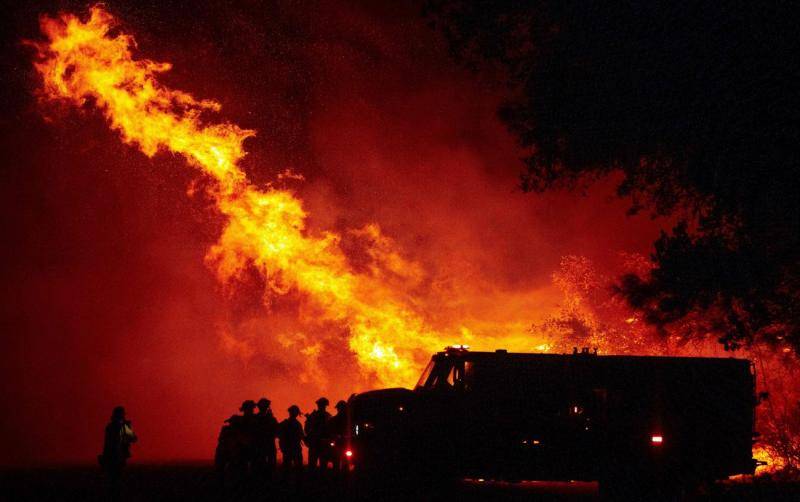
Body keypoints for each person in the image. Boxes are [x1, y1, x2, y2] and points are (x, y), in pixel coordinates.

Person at [99, 406, 137, 501]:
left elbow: (107, 444)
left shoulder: (110, 427)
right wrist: (128, 427)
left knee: (112, 481)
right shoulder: (122, 427)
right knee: (117, 481)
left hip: (111, 457)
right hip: (118, 458)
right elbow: (133, 438)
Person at [304, 397, 332, 471]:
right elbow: (307, 429)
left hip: (318, 443)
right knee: (320, 465)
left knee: (316, 464)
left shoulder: (314, 416)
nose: (322, 406)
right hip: (320, 443)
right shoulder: (328, 416)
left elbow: (306, 429)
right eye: (322, 405)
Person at [254, 397, 278, 475]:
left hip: (263, 445)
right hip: (263, 444)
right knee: (265, 466)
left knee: (264, 466)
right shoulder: (269, 418)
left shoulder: (256, 418)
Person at [278, 405, 304, 475]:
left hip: (290, 449)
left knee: (289, 469)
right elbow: (302, 436)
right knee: (295, 469)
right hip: (292, 448)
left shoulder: (285, 424)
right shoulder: (297, 424)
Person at [328, 400, 349, 472]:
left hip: (346, 444)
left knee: (344, 462)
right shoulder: (333, 420)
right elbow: (330, 432)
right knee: (337, 462)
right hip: (339, 443)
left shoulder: (349, 420)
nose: (339, 410)